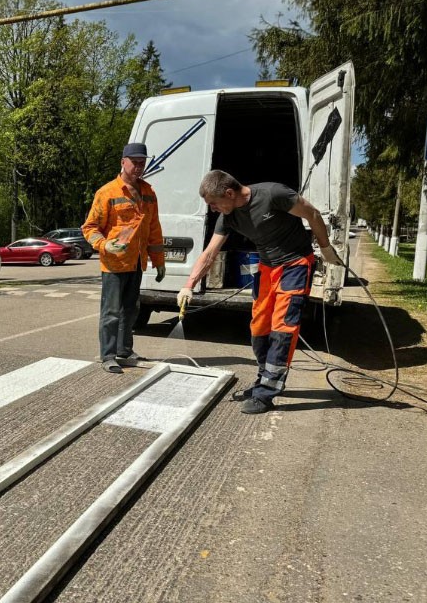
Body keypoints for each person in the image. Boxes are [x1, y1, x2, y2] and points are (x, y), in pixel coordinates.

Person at [178, 170, 344, 414]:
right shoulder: (228, 216)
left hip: (295, 264)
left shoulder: (273, 194)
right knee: (259, 327)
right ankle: (263, 379)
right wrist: (189, 285)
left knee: (282, 327)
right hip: (267, 268)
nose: (212, 209)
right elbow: (210, 253)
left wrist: (326, 248)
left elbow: (313, 214)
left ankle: (266, 393)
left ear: (229, 193)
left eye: (213, 203)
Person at [82, 142, 166, 374]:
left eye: (142, 163)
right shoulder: (107, 192)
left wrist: (159, 261)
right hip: (114, 264)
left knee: (131, 309)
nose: (139, 167)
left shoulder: (148, 192)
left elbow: (154, 230)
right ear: (123, 162)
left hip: (137, 261)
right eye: (135, 163)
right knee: (111, 312)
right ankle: (108, 355)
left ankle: (124, 350)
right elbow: (90, 227)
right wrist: (104, 244)